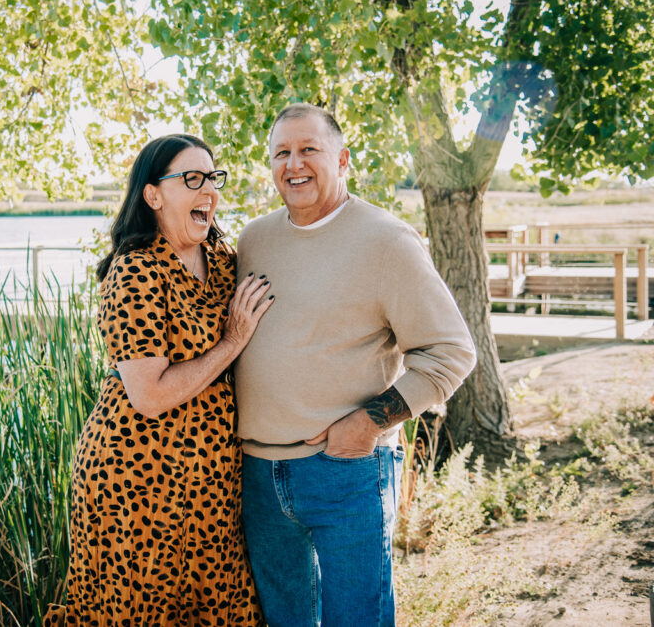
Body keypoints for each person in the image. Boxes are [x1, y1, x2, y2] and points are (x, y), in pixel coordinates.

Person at [235, 103, 477, 627]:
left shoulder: (387, 241)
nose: (293, 163)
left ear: (343, 159)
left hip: (343, 471)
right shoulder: (254, 239)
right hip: (256, 478)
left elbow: (452, 352)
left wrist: (369, 422)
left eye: (308, 150)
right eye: (281, 152)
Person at [46, 134, 272, 626]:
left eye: (213, 178)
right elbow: (149, 395)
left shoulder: (224, 261)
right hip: (135, 485)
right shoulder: (134, 270)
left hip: (212, 485)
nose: (208, 190)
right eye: (192, 179)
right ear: (153, 195)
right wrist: (231, 343)